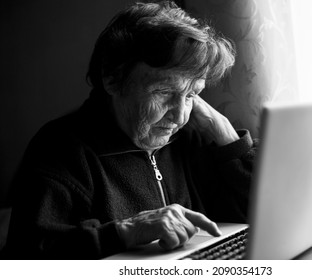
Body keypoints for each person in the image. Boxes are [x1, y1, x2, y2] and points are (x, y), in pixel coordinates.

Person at [5, 1, 257, 259]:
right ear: (113, 79)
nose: (180, 115)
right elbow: (27, 255)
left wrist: (227, 137)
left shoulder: (190, 138)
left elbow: (265, 214)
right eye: (164, 91)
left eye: (192, 94)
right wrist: (126, 231)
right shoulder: (61, 148)